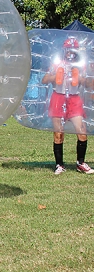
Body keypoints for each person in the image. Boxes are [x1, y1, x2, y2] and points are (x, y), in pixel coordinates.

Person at [41, 37, 94, 175]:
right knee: (58, 133)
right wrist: (57, 76)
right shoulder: (57, 63)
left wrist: (81, 78)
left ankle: (80, 163)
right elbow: (44, 80)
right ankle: (59, 165)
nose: (70, 53)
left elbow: (89, 84)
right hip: (58, 97)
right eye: (68, 50)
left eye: (73, 50)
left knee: (82, 131)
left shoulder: (81, 65)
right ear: (64, 50)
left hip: (74, 99)